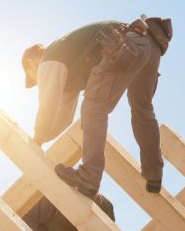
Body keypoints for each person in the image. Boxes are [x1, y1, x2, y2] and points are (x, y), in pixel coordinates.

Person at [21, 16, 172, 198]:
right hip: (148, 44)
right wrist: (43, 138)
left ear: (31, 63)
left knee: (94, 108)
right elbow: (64, 117)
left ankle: (89, 176)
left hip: (122, 44)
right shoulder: (69, 62)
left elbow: (48, 105)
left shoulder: (49, 58)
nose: (38, 82)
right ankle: (154, 174)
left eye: (33, 77)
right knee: (142, 109)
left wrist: (36, 138)